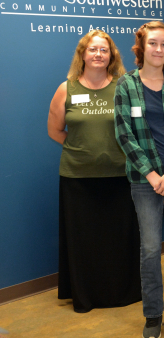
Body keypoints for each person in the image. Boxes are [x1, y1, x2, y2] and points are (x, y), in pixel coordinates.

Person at [47, 30, 141, 313]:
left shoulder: (125, 87)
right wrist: (83, 149)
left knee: (118, 241)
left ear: (112, 55)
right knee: (83, 243)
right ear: (83, 54)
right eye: (93, 49)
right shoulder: (67, 88)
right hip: (78, 179)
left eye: (104, 50)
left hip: (120, 177)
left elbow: (136, 129)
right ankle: (85, 296)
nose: (98, 54)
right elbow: (54, 130)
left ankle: (121, 294)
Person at [114, 21, 164, 338]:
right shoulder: (126, 86)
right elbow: (124, 133)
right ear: (141, 48)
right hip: (143, 181)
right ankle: (152, 315)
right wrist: (152, 174)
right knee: (149, 250)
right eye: (153, 43)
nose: (158, 49)